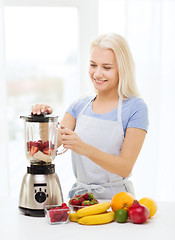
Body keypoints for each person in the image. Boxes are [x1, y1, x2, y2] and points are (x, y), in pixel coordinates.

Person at [32, 33, 148, 199]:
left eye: (106, 67)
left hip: (118, 201)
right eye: (93, 65)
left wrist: (83, 148)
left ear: (122, 69)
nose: (97, 74)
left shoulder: (136, 108)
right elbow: (50, 148)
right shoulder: (79, 105)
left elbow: (125, 167)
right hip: (81, 199)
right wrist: (43, 119)